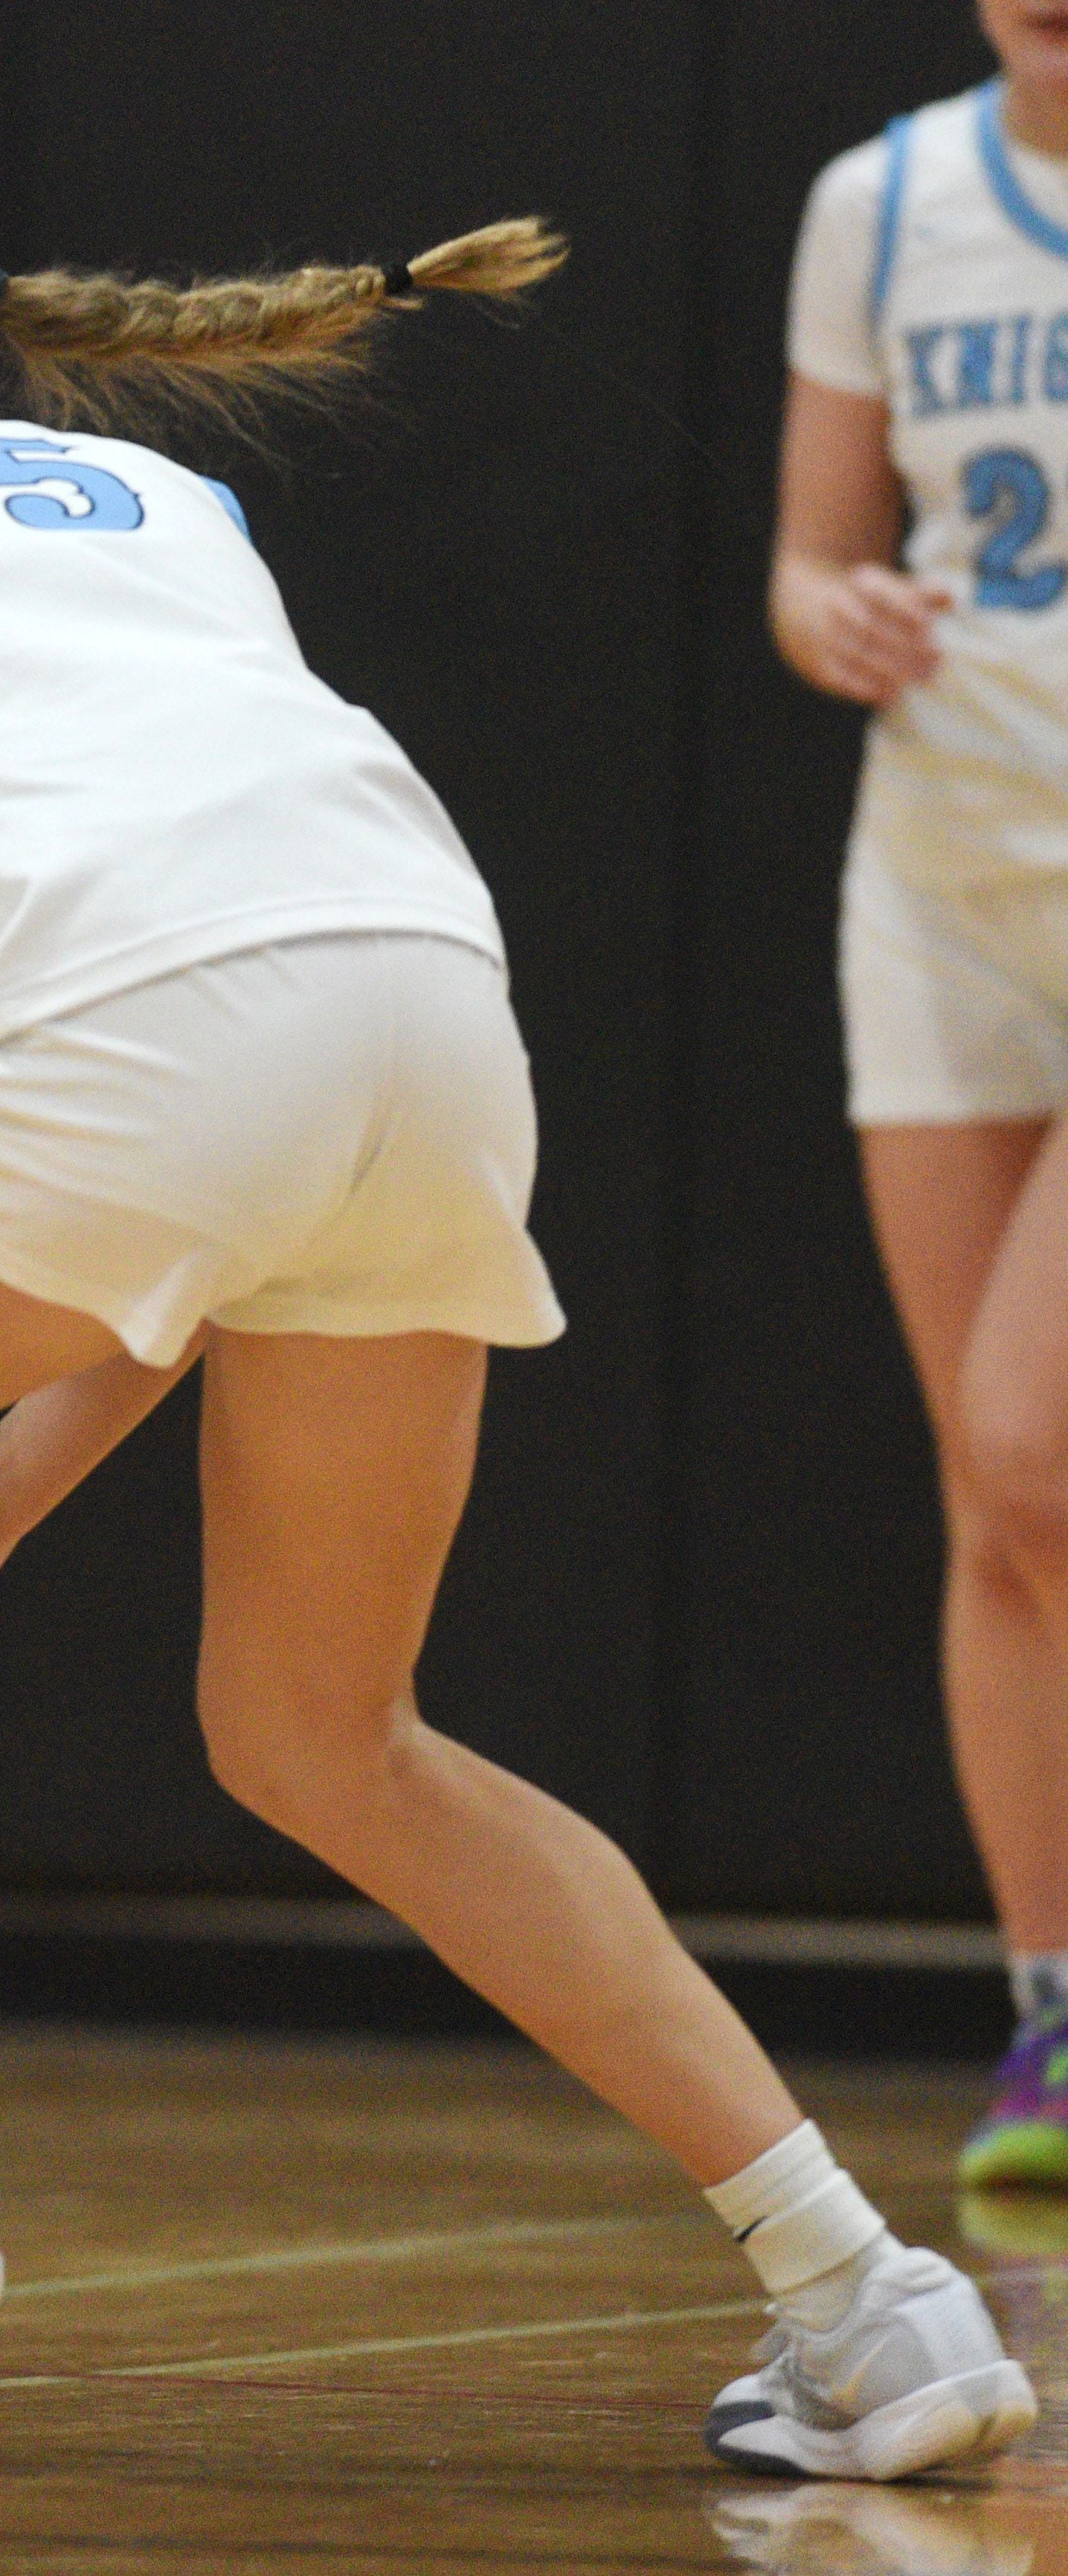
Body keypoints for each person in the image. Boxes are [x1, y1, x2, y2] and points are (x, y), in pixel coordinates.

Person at [0, 132, 1033, 2479]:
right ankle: (870, 2294)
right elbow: (229, 1145)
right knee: (332, 1728)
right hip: (432, 1004)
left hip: (157, 1028)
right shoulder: (165, 505)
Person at [778, 1, 1068, 2194]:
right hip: (942, 887)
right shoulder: (878, 201)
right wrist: (835, 611)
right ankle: (1047, 2020)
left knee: (1024, 1430)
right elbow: (803, 563)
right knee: (1001, 1506)